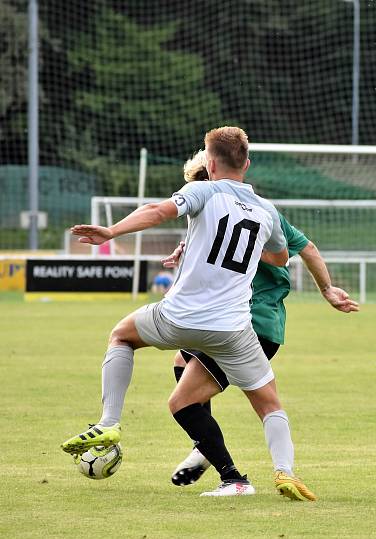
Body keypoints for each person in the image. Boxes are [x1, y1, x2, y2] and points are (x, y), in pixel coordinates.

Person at [60, 126, 305, 498]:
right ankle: (285, 473)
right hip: (233, 329)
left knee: (122, 336)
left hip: (178, 318)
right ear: (247, 164)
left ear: (209, 162)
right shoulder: (266, 210)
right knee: (269, 402)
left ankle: (109, 422)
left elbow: (158, 210)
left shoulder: (202, 189)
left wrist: (111, 232)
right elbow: (280, 257)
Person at [165, 149, 359, 498]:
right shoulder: (255, 210)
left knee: (184, 403)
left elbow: (293, 251)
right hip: (254, 325)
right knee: (183, 360)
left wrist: (328, 289)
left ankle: (232, 477)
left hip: (243, 324)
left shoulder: (246, 213)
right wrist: (328, 290)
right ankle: (214, 449)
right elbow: (307, 247)